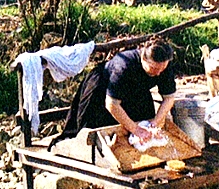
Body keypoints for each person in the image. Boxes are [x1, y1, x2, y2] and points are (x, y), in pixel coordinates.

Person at [49, 38, 177, 149]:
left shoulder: (164, 66)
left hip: (137, 90)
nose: (158, 73)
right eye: (154, 68)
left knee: (142, 124)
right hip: (102, 88)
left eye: (162, 69)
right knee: (90, 131)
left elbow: (169, 98)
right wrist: (135, 129)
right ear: (144, 58)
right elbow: (112, 104)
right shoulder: (123, 66)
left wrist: (154, 124)